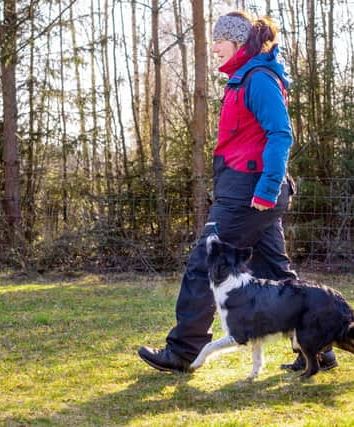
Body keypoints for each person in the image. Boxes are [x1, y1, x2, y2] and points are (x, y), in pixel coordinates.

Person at [138, 11, 337, 373]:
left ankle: (183, 351)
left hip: (250, 193)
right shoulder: (244, 80)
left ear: (238, 42)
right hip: (249, 190)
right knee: (276, 273)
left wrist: (266, 188)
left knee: (204, 263)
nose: (213, 47)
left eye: (219, 40)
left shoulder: (258, 79)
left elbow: (281, 134)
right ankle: (319, 348)